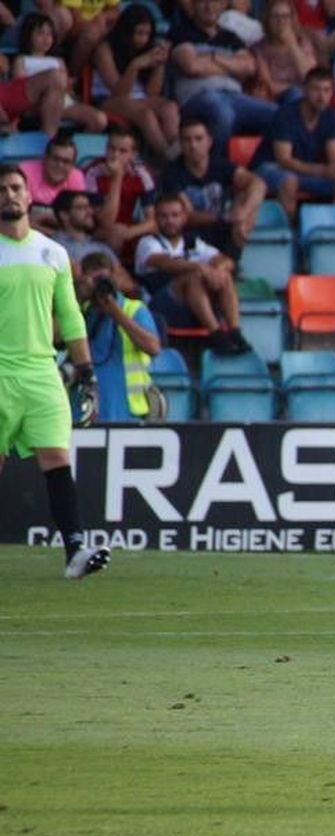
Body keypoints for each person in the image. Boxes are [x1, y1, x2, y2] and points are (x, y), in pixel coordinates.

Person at [0, 164, 108, 580]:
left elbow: (71, 317)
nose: (9, 195)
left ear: (29, 197)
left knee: (56, 457)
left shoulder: (53, 253)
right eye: (2, 189)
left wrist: (85, 371)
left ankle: (75, 550)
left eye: (15, 188)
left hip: (42, 371)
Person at [134, 194, 250, 354]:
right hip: (159, 307)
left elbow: (226, 261)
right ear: (156, 218)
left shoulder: (193, 242)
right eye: (164, 216)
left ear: (183, 218)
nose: (170, 221)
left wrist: (216, 271)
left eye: (175, 215)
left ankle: (235, 332)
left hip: (193, 305)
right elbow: (163, 262)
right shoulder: (148, 242)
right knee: (193, 278)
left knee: (224, 276)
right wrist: (200, 268)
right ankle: (216, 334)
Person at [253, 66, 335, 219]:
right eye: (316, 90)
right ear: (304, 90)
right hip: (271, 167)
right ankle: (287, 236)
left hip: (306, 169)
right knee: (289, 180)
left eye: (327, 90)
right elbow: (284, 160)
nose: (322, 96)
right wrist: (323, 170)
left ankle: (332, 232)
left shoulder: (331, 116)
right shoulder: (287, 114)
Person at [171, 0, 277, 149]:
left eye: (215, 2)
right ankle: (217, 166)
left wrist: (213, 57)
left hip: (235, 97)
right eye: (203, 3)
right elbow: (192, 66)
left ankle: (260, 164)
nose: (209, 6)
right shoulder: (181, 33)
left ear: (223, 6)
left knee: (277, 115)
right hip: (199, 97)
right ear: (194, 5)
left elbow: (249, 67)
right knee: (223, 112)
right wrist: (231, 65)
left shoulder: (230, 37)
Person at [160, 118, 268, 258]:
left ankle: (233, 267)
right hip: (190, 234)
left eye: (198, 139)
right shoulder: (172, 173)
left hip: (224, 228)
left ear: (209, 142)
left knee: (245, 202)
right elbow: (186, 215)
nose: (193, 145)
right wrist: (225, 217)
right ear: (180, 143)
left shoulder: (220, 165)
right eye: (187, 140)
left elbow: (259, 184)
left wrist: (242, 213)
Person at [78, 251, 161, 424]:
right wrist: (78, 296)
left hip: (125, 411)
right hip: (83, 409)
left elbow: (153, 347)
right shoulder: (80, 311)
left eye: (103, 279)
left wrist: (115, 311)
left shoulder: (134, 309)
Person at [90, 4, 179, 157]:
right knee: (146, 115)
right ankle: (168, 157)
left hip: (139, 98)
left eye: (147, 34)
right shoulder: (105, 49)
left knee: (169, 107)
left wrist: (160, 64)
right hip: (109, 99)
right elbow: (118, 92)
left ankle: (177, 150)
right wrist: (135, 66)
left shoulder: (148, 48)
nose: (143, 39)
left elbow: (152, 92)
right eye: (139, 33)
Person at [83, 127, 158, 256]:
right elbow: (106, 221)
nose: (115, 155)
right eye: (111, 149)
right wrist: (116, 179)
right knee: (114, 233)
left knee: (154, 233)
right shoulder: (92, 173)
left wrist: (130, 232)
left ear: (133, 155)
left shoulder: (142, 174)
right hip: (93, 229)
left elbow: (153, 221)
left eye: (122, 151)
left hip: (127, 227)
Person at [252, 0, 320, 104]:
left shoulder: (303, 44)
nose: (281, 21)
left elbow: (311, 77)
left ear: (292, 19)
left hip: (302, 101)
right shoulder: (259, 49)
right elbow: (271, 87)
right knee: (295, 94)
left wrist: (292, 44)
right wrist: (301, 88)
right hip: (273, 102)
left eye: (285, 16)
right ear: (267, 20)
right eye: (275, 16)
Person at [19, 132, 87, 233]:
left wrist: (45, 220)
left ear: (73, 165)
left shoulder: (77, 177)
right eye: (55, 159)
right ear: (45, 158)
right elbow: (18, 218)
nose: (59, 165)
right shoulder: (25, 172)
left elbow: (78, 221)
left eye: (66, 161)